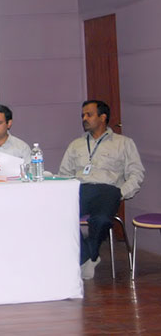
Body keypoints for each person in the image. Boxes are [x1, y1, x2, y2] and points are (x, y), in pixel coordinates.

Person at [59, 100, 144, 279]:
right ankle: (89, 257)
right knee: (60, 216)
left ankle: (87, 256)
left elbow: (136, 173)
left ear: (103, 117)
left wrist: (121, 193)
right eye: (83, 115)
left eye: (89, 115)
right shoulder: (76, 145)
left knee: (102, 220)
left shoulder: (123, 143)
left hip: (108, 191)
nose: (84, 118)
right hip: (80, 189)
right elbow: (64, 174)